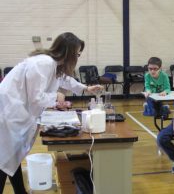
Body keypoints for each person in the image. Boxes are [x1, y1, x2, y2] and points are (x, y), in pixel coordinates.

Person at [0, 32, 103, 193]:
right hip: (9, 113)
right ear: (69, 52)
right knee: (5, 159)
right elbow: (36, 97)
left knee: (12, 158)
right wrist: (57, 96)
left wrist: (85, 88)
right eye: (77, 53)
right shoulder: (44, 63)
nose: (77, 57)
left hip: (16, 113)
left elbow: (64, 80)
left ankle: (20, 191)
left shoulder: (53, 64)